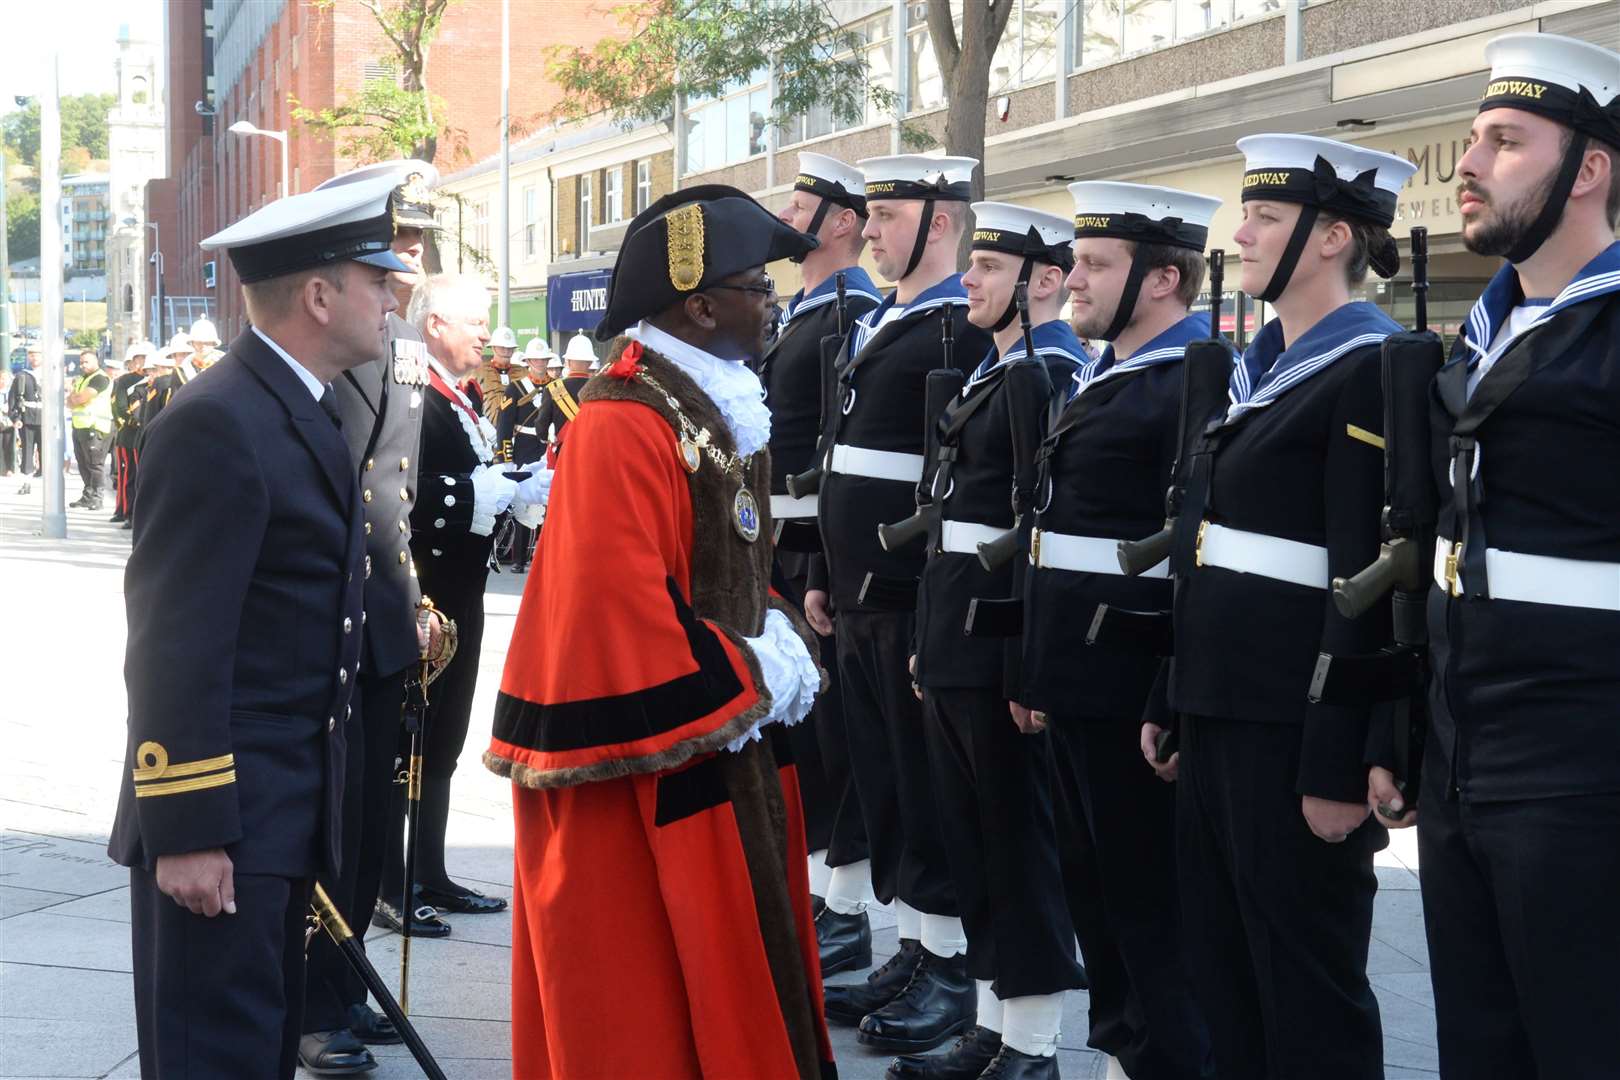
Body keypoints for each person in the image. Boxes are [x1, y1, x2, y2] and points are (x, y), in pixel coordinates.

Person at [483, 183, 831, 1079]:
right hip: (654, 762)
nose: (772, 304)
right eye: (758, 287)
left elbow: (731, 565)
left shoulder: (702, 403)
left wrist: (778, 627)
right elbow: (617, 614)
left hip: (718, 742)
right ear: (702, 303)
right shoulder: (623, 417)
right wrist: (750, 669)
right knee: (648, 1006)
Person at [106, 171, 405, 1080]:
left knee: (256, 1054)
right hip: (223, 819)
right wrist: (190, 828)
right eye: (377, 280)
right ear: (319, 295)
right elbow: (174, 645)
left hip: (279, 810)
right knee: (216, 1056)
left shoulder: (293, 407)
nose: (392, 300)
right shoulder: (219, 422)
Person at [1161, 133, 1416, 1080]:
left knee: (1309, 993)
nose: (1244, 231)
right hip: (1220, 709)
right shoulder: (1257, 368)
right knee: (1223, 972)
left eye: (1266, 216)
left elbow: (1369, 583)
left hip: (1296, 728)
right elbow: (1205, 552)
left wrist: (1342, 760)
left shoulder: (1373, 367)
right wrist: (1172, 697)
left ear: (1332, 235)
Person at [1408, 33, 1620, 1080]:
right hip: (1463, 765)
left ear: (1589, 170)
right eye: (1475, 139)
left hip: (1586, 779)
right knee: (1480, 1053)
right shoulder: (1490, 331)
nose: (1471, 164)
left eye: (1505, 140)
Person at [1021, 182, 1223, 1080]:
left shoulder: (1192, 381)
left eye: (1098, 266)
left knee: (1151, 910)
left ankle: (1165, 1061)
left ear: (1164, 279)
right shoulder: (1106, 375)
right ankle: (1123, 1058)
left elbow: (1191, 556)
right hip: (1075, 678)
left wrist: (1162, 691)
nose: (1075, 281)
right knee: (1097, 901)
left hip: (1130, 686)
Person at [894, 202, 1084, 1080]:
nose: (968, 278)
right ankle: (992, 1023)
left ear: (1041, 281)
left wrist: (1023, 661)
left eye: (990, 268)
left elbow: (1034, 533)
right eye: (970, 264)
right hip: (954, 633)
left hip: (996, 643)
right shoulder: (996, 370)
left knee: (1016, 845)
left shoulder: (1045, 376)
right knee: (971, 843)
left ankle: (1035, 1045)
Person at [812, 154, 990, 1051]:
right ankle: (917, 946)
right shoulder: (886, 318)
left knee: (925, 788)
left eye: (888, 215)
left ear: (942, 223)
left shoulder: (961, 324)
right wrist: (820, 575)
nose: (871, 230)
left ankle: (949, 966)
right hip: (856, 591)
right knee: (882, 782)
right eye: (872, 215)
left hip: (907, 593)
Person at [294, 159, 444, 1076]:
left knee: (372, 819)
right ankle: (316, 1005)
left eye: (419, 244)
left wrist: (413, 594)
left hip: (385, 612)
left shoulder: (401, 344)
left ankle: (346, 987)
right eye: (396, 246)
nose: (410, 262)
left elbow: (400, 499)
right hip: (337, 623)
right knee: (335, 822)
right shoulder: (337, 352)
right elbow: (337, 501)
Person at [372, 275, 536, 928]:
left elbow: (476, 470)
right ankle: (390, 885)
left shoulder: (462, 394)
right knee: (405, 740)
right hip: (421, 591)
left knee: (443, 739)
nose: (486, 335)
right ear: (435, 323)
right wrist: (476, 496)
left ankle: (429, 872)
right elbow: (398, 486)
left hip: (462, 589)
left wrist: (516, 484)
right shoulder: (410, 388)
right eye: (475, 322)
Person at [765, 151, 882, 971]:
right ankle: (815, 889)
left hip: (818, 542)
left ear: (844, 223)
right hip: (783, 538)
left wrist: (816, 563)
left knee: (836, 737)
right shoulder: (806, 306)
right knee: (805, 733)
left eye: (805, 201)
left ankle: (844, 904)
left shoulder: (849, 308)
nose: (789, 210)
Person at [531, 332, 595, 463]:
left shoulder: (554, 388)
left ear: (568, 362)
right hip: (593, 451)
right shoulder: (600, 388)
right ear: (590, 362)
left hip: (564, 453)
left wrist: (545, 437)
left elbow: (542, 425)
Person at [109, 341, 153, 524]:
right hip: (129, 434)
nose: (142, 362)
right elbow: (118, 406)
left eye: (145, 358)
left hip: (146, 433)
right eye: (139, 358)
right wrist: (134, 421)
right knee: (128, 475)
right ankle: (125, 511)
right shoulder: (124, 381)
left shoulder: (154, 380)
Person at [66, 348, 114, 510]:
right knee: (83, 463)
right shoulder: (82, 379)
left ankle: (98, 497)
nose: (83, 365)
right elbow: (70, 401)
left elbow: (80, 398)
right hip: (80, 426)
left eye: (86, 362)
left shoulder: (100, 378)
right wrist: (75, 398)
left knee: (95, 464)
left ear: (96, 361)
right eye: (81, 362)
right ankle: (88, 495)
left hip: (95, 426)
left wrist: (75, 398)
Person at [8, 345, 42, 484]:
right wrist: (15, 417)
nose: (34, 357)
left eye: (37, 354)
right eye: (32, 355)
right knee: (27, 450)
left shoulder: (50, 375)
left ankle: (44, 475)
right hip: (27, 417)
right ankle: (26, 480)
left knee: (46, 450)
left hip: (45, 418)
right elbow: (13, 398)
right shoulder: (22, 376)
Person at [0, 368, 14, 476]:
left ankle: (9, 468)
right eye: (1, 378)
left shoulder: (11, 392)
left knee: (8, 445)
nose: (3, 381)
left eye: (5, 379)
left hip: (8, 423)